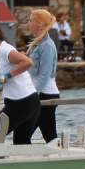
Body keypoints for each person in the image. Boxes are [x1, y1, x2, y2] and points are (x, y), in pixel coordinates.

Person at [0, 26, 40, 145]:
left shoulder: (5, 51)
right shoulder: (3, 52)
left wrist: (8, 75)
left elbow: (27, 62)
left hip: (21, 103)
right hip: (31, 101)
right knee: (21, 144)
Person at [24, 9, 60, 144]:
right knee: (26, 133)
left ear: (39, 25)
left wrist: (31, 96)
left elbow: (44, 76)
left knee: (45, 134)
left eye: (30, 21)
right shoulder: (36, 44)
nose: (28, 24)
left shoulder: (47, 46)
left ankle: (57, 154)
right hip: (39, 94)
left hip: (45, 95)